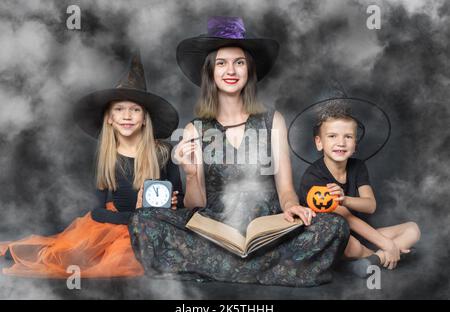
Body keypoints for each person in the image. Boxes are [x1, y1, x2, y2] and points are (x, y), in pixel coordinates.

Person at [128, 16, 350, 287]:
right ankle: (267, 271)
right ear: (210, 72)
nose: (230, 70)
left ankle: (221, 269)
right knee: (144, 220)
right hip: (215, 230)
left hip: (267, 229)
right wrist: (191, 173)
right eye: (221, 63)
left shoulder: (272, 120)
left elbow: (285, 190)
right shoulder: (195, 129)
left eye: (239, 62)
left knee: (334, 226)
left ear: (249, 70)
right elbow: (195, 206)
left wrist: (293, 207)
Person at [0, 52, 183, 278]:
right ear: (109, 118)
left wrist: (172, 204)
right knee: (68, 255)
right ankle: (17, 253)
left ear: (145, 118)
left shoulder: (164, 153)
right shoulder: (107, 158)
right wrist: (134, 218)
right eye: (119, 109)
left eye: (135, 110)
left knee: (147, 258)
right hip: (117, 226)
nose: (127, 116)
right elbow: (97, 212)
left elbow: (180, 202)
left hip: (155, 228)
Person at [299, 100, 421, 278]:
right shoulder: (314, 177)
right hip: (333, 239)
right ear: (319, 142)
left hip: (362, 232)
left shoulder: (358, 166)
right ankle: (387, 255)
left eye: (348, 137)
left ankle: (373, 261)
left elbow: (370, 205)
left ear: (355, 144)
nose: (341, 142)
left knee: (413, 229)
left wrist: (345, 199)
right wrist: (388, 244)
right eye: (332, 136)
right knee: (351, 246)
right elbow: (346, 218)